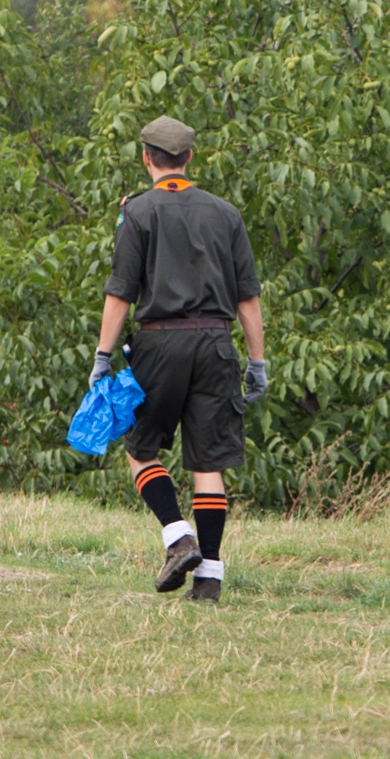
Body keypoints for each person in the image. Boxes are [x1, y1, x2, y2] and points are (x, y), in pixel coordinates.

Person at [93, 115, 267, 603]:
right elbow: (248, 298)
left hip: (159, 344)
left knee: (140, 448)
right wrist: (256, 362)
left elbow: (120, 293)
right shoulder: (226, 214)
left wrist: (103, 356)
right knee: (208, 461)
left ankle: (177, 536)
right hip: (216, 343)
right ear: (189, 157)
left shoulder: (137, 213)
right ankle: (209, 578)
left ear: (146, 158)